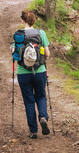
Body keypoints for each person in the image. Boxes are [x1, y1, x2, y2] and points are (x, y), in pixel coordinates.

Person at [11, 10, 51, 139]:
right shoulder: (41, 33)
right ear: (33, 21)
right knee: (41, 96)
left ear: (23, 21)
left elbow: (14, 54)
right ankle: (43, 117)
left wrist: (12, 49)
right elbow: (47, 54)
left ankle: (33, 131)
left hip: (23, 73)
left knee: (29, 101)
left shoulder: (18, 35)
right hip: (40, 71)